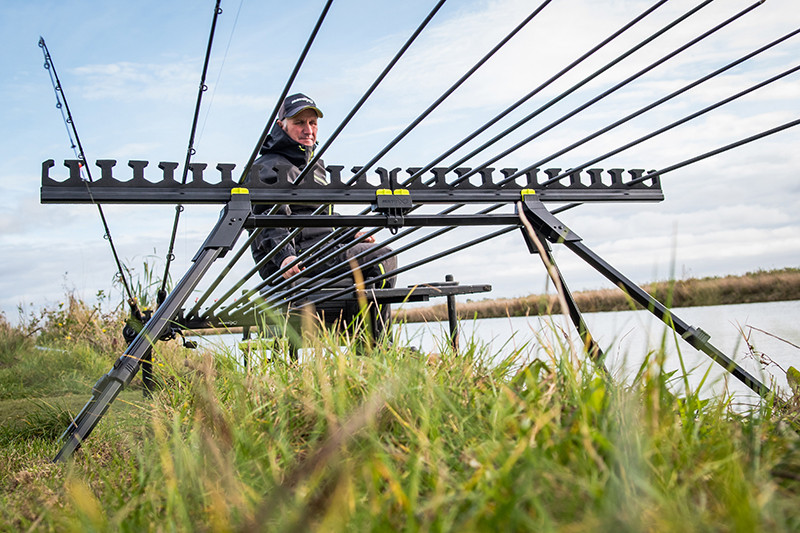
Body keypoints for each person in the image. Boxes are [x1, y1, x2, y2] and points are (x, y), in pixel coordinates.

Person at [248, 93, 397, 323]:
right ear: (281, 125)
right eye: (299, 122)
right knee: (381, 257)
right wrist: (285, 256)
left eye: (313, 123)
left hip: (322, 249)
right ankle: (372, 339)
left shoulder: (314, 166)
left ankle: (359, 332)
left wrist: (351, 233)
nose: (308, 130)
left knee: (377, 255)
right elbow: (269, 217)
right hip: (297, 256)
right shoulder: (269, 166)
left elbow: (322, 215)